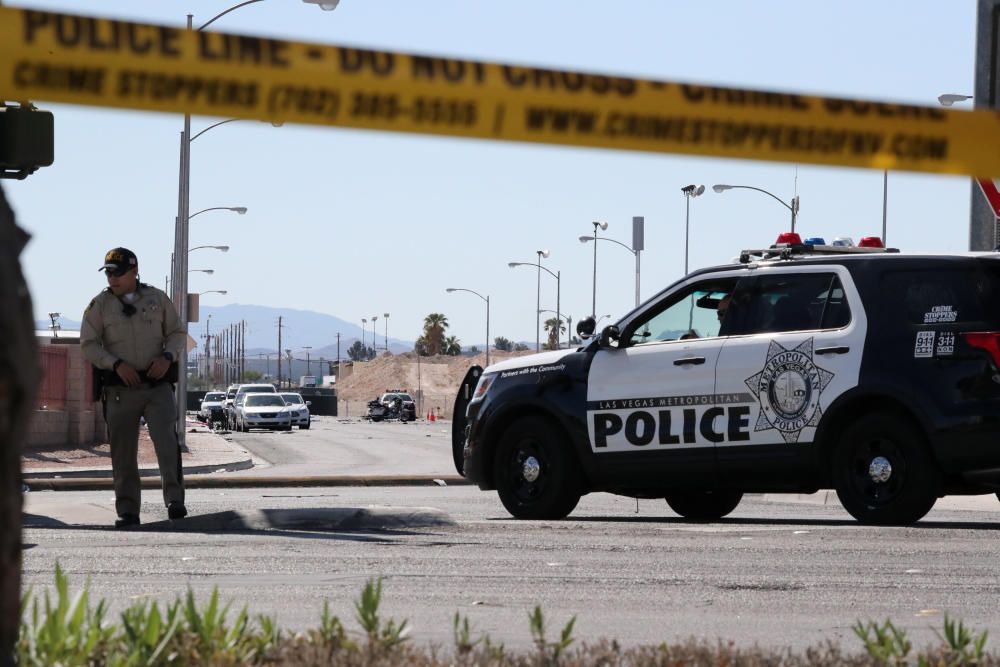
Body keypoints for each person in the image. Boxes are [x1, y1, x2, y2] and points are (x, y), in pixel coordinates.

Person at [80, 247, 187, 528]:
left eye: (117, 272)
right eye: (108, 273)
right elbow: (89, 344)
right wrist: (115, 364)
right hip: (120, 389)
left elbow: (177, 333)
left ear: (134, 271)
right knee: (123, 451)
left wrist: (167, 357)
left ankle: (175, 501)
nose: (112, 278)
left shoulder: (156, 299)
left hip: (156, 386)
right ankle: (128, 510)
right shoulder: (99, 306)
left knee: (166, 442)